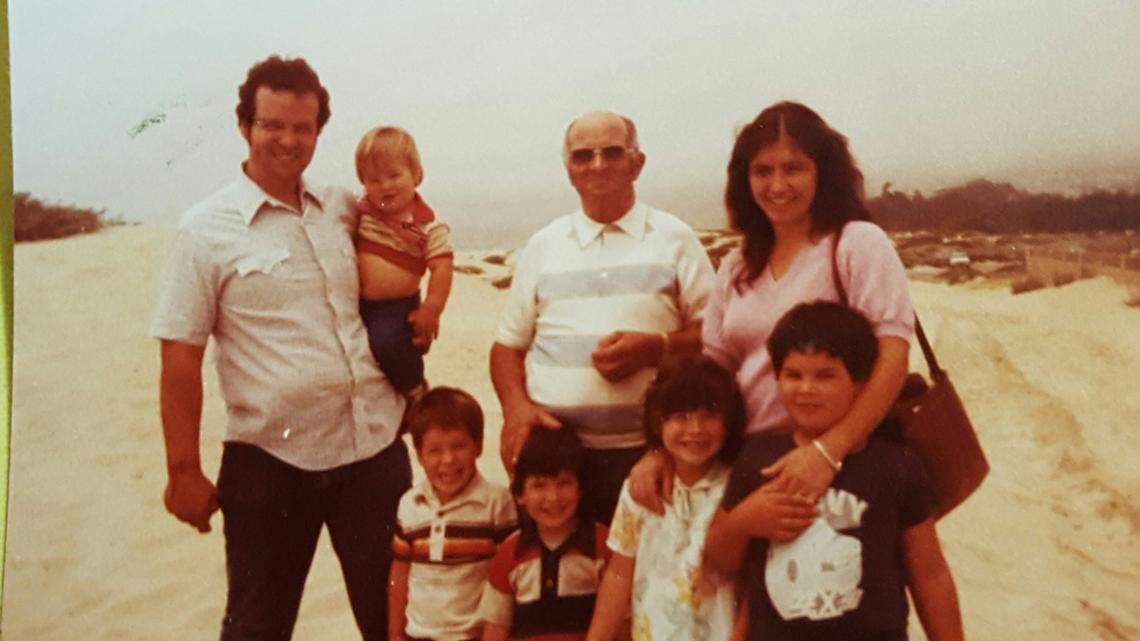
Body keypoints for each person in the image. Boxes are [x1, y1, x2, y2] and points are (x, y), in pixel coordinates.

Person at [150, 55, 410, 641]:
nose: (289, 139)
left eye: (303, 127)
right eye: (273, 124)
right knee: (257, 628)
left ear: (319, 130)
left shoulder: (341, 208)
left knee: (396, 623)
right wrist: (182, 471)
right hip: (270, 464)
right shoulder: (203, 229)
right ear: (245, 126)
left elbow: (406, 246)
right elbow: (180, 358)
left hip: (373, 450)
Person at [629, 101, 914, 511]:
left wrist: (827, 451)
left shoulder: (856, 244)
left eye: (793, 168)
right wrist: (661, 448)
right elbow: (712, 374)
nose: (777, 185)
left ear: (823, 172)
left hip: (840, 466)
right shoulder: (737, 266)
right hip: (750, 464)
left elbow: (893, 355)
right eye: (762, 170)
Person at [490, 110, 715, 524]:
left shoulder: (675, 238)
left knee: (646, 583)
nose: (597, 164)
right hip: (558, 462)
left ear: (637, 162)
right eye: (582, 156)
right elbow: (507, 347)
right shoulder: (544, 245)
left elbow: (718, 337)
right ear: (568, 170)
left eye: (612, 152)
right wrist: (517, 408)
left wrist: (656, 348)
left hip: (654, 454)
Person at [705, 302, 964, 641]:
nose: (806, 388)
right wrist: (743, 520)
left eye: (825, 375)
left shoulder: (895, 465)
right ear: (776, 378)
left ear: (859, 384)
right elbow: (718, 561)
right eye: (793, 375)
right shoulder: (757, 458)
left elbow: (930, 574)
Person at [585, 354, 746, 641]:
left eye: (708, 415)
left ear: (729, 421)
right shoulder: (640, 489)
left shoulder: (736, 488)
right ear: (658, 422)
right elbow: (618, 575)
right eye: (682, 417)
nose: (695, 429)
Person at [390, 387, 518, 641]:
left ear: (478, 446)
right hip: (419, 635)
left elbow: (510, 577)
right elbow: (400, 573)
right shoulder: (410, 505)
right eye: (435, 450)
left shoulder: (496, 503)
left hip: (474, 636)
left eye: (459, 446)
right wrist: (395, 635)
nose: (448, 459)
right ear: (419, 454)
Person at [479, 426, 608, 641]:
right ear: (520, 494)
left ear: (581, 488)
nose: (553, 497)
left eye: (564, 483)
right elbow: (496, 626)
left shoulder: (602, 544)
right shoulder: (509, 553)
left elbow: (622, 622)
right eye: (539, 486)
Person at [354, 126, 454, 399]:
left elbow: (442, 267)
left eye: (394, 175)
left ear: (417, 175)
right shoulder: (361, 213)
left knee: (386, 343)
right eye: (373, 180)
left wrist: (432, 309)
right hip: (357, 304)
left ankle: (415, 389)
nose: (385, 186)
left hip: (397, 307)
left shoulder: (428, 225)